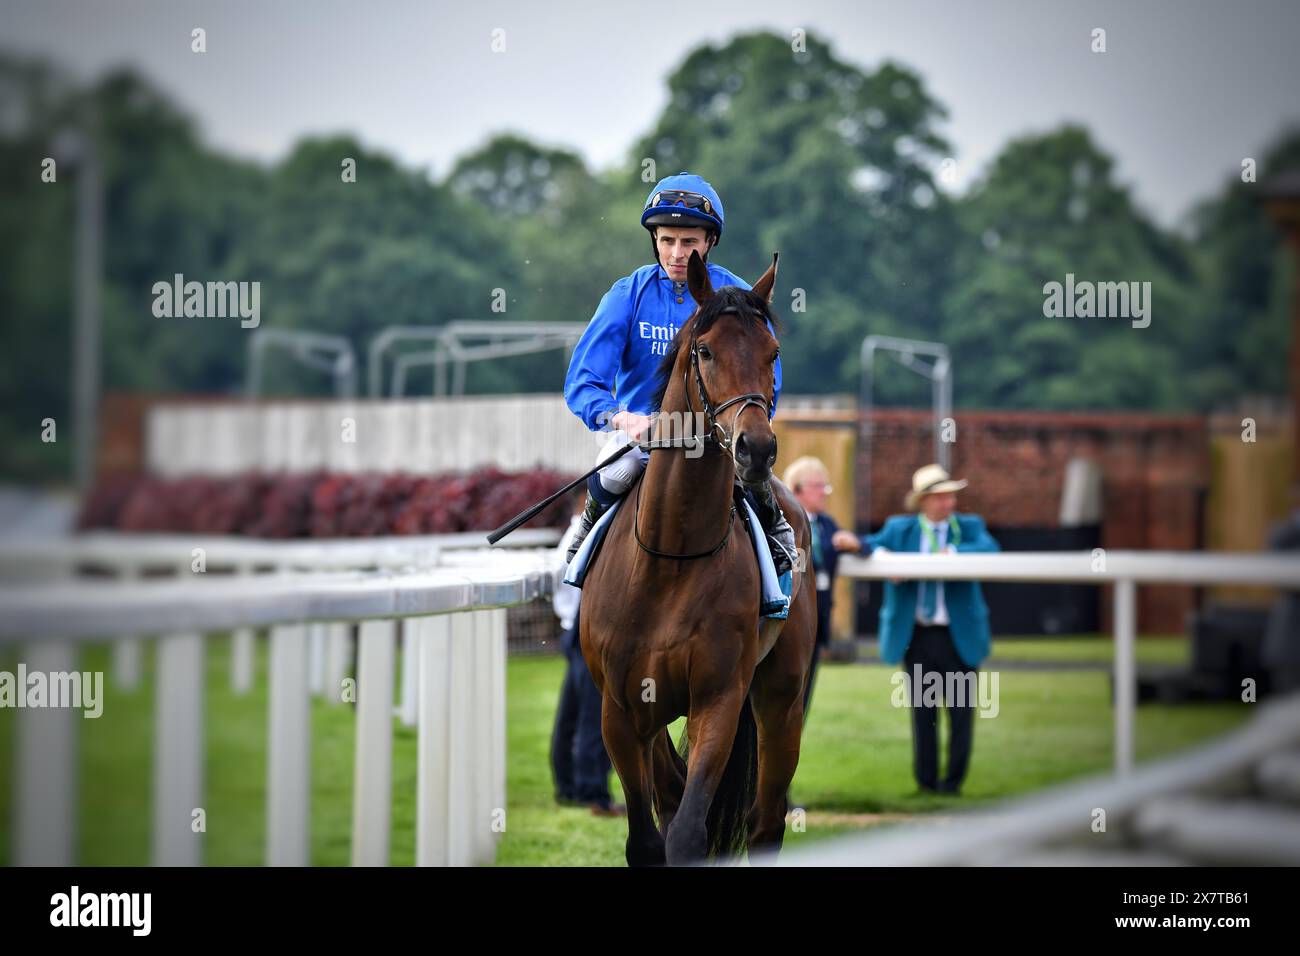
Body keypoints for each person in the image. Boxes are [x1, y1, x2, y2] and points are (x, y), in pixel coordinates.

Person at [561, 172, 796, 576]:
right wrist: (621, 418)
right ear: (654, 240)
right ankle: (586, 547)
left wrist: (741, 425)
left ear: (710, 243)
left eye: (689, 243)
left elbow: (769, 377)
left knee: (760, 484)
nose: (676, 253)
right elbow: (583, 383)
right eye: (667, 240)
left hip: (717, 440)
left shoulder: (738, 298)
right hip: (645, 434)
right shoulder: (627, 294)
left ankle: (778, 562)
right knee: (615, 470)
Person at [844, 464, 1000, 795]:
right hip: (916, 637)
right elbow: (868, 545)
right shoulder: (900, 529)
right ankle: (926, 784)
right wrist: (887, 561)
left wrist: (953, 553)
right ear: (923, 502)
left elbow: (990, 550)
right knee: (923, 714)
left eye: (950, 497)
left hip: (957, 637)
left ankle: (952, 784)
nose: (948, 504)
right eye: (941, 497)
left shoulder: (968, 528)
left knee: (960, 714)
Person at [550, 499, 624, 816]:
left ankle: (569, 785)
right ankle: (592, 792)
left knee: (573, 711)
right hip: (586, 628)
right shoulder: (588, 529)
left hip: (576, 627)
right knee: (593, 714)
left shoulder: (575, 530)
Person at [783, 456, 863, 716]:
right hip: (785, 623)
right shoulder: (782, 519)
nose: (825, 492)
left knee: (803, 701)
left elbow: (855, 544)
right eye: (818, 486)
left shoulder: (827, 524)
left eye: (826, 486)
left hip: (815, 622)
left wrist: (854, 542)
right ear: (796, 489)